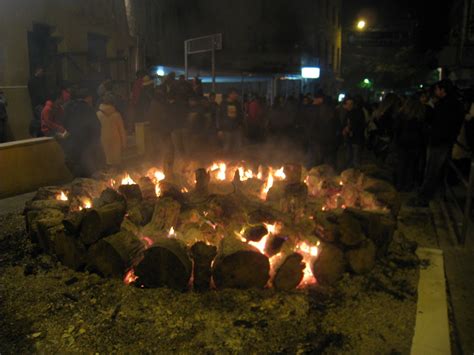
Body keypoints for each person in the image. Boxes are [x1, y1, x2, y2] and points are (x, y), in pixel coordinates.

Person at [412, 80, 465, 206]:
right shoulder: (455, 104)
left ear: (443, 90)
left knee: (431, 169)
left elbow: (438, 123)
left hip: (438, 141)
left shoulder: (446, 105)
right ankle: (435, 195)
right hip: (444, 140)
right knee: (435, 169)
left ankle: (424, 198)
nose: (435, 92)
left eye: (437, 89)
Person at [62, 88, 104, 177]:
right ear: (87, 98)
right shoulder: (88, 109)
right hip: (86, 146)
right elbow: (96, 127)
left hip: (72, 146)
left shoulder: (67, 108)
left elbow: (63, 123)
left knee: (77, 174)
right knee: (89, 173)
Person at [394, 98, 426, 191]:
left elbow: (396, 129)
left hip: (402, 143)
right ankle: (408, 185)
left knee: (401, 165)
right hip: (415, 144)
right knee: (411, 166)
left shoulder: (401, 115)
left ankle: (399, 185)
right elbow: (422, 132)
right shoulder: (419, 117)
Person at [307, 91, 340, 168]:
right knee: (327, 162)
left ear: (320, 99)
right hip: (328, 140)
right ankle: (329, 176)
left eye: (315, 99)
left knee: (315, 160)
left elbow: (313, 123)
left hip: (318, 139)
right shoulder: (332, 109)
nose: (313, 101)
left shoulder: (319, 109)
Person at [96, 93, 127, 170]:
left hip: (103, 141)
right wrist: (124, 144)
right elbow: (122, 131)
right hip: (116, 142)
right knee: (116, 164)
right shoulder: (117, 115)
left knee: (106, 164)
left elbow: (95, 130)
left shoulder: (97, 115)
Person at [217, 88, 243, 156]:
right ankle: (226, 161)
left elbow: (240, 115)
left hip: (236, 128)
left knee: (237, 146)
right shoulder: (223, 104)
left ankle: (237, 162)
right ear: (230, 94)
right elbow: (219, 116)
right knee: (227, 146)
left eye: (236, 94)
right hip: (226, 129)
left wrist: (240, 124)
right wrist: (219, 129)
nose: (236, 95)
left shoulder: (237, 104)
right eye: (234, 94)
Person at [342, 97, 365, 168]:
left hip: (357, 139)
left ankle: (357, 174)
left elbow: (360, 125)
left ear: (354, 104)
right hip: (349, 139)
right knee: (348, 157)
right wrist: (344, 129)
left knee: (356, 160)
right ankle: (349, 174)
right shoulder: (347, 113)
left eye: (351, 104)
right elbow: (344, 123)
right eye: (348, 104)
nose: (349, 106)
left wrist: (351, 129)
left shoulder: (359, 112)